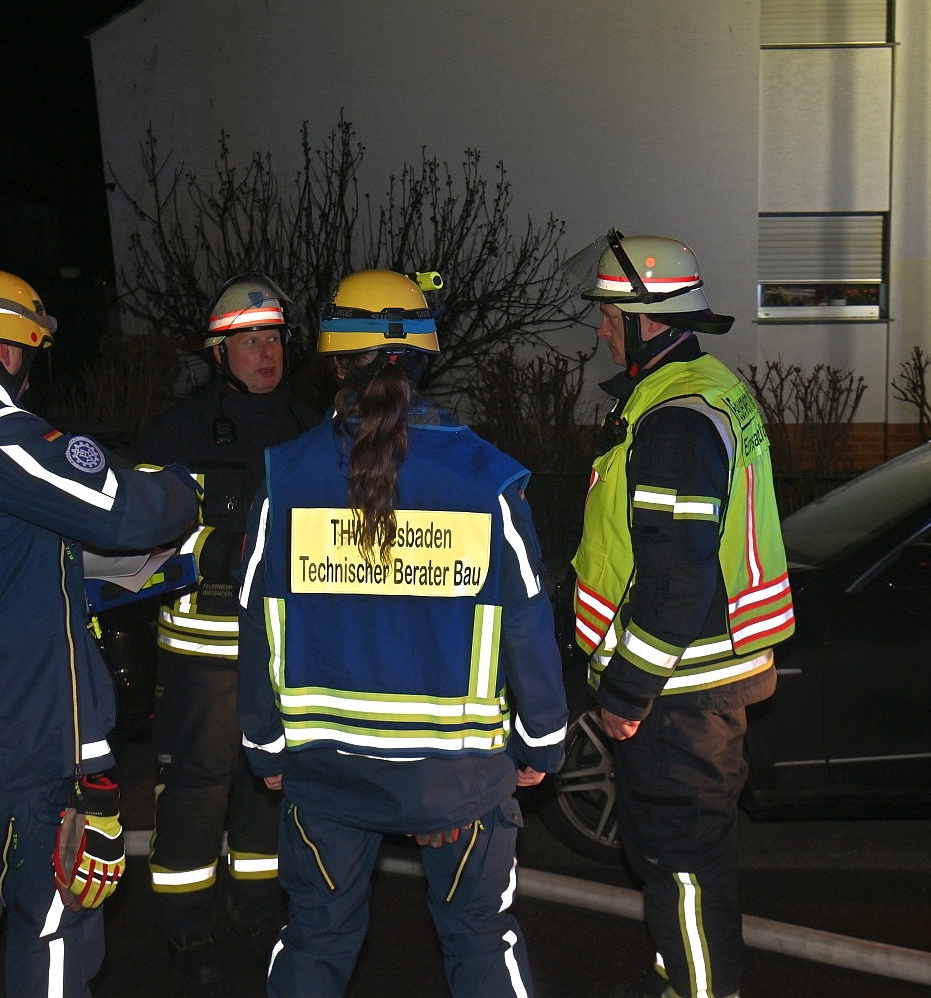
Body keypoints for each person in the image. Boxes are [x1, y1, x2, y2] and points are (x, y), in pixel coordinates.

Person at [235, 269, 568, 998]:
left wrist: (264, 747)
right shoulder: (488, 478)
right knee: (479, 941)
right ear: (424, 360)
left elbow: (257, 621)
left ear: (335, 362)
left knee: (316, 941)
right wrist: (541, 742)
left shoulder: (285, 477)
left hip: (326, 774)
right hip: (458, 779)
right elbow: (527, 620)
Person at [0, 268, 200, 998]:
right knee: (54, 925)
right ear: (11, 347)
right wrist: (185, 488)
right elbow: (124, 510)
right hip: (15, 746)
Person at [569, 234, 794, 998]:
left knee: (686, 870)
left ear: (647, 321)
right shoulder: (705, 389)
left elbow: (677, 579)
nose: (601, 327)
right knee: (675, 862)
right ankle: (682, 978)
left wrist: (627, 692)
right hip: (696, 685)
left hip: (677, 695)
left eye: (610, 315)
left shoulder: (673, 420)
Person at [134, 273, 317, 983]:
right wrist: (221, 550)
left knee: (270, 785)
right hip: (202, 652)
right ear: (219, 353)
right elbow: (138, 535)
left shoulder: (312, 430)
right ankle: (186, 927)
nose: (268, 353)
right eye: (251, 342)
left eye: (275, 339)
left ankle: (258, 911)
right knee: (195, 792)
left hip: (286, 651)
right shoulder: (175, 433)